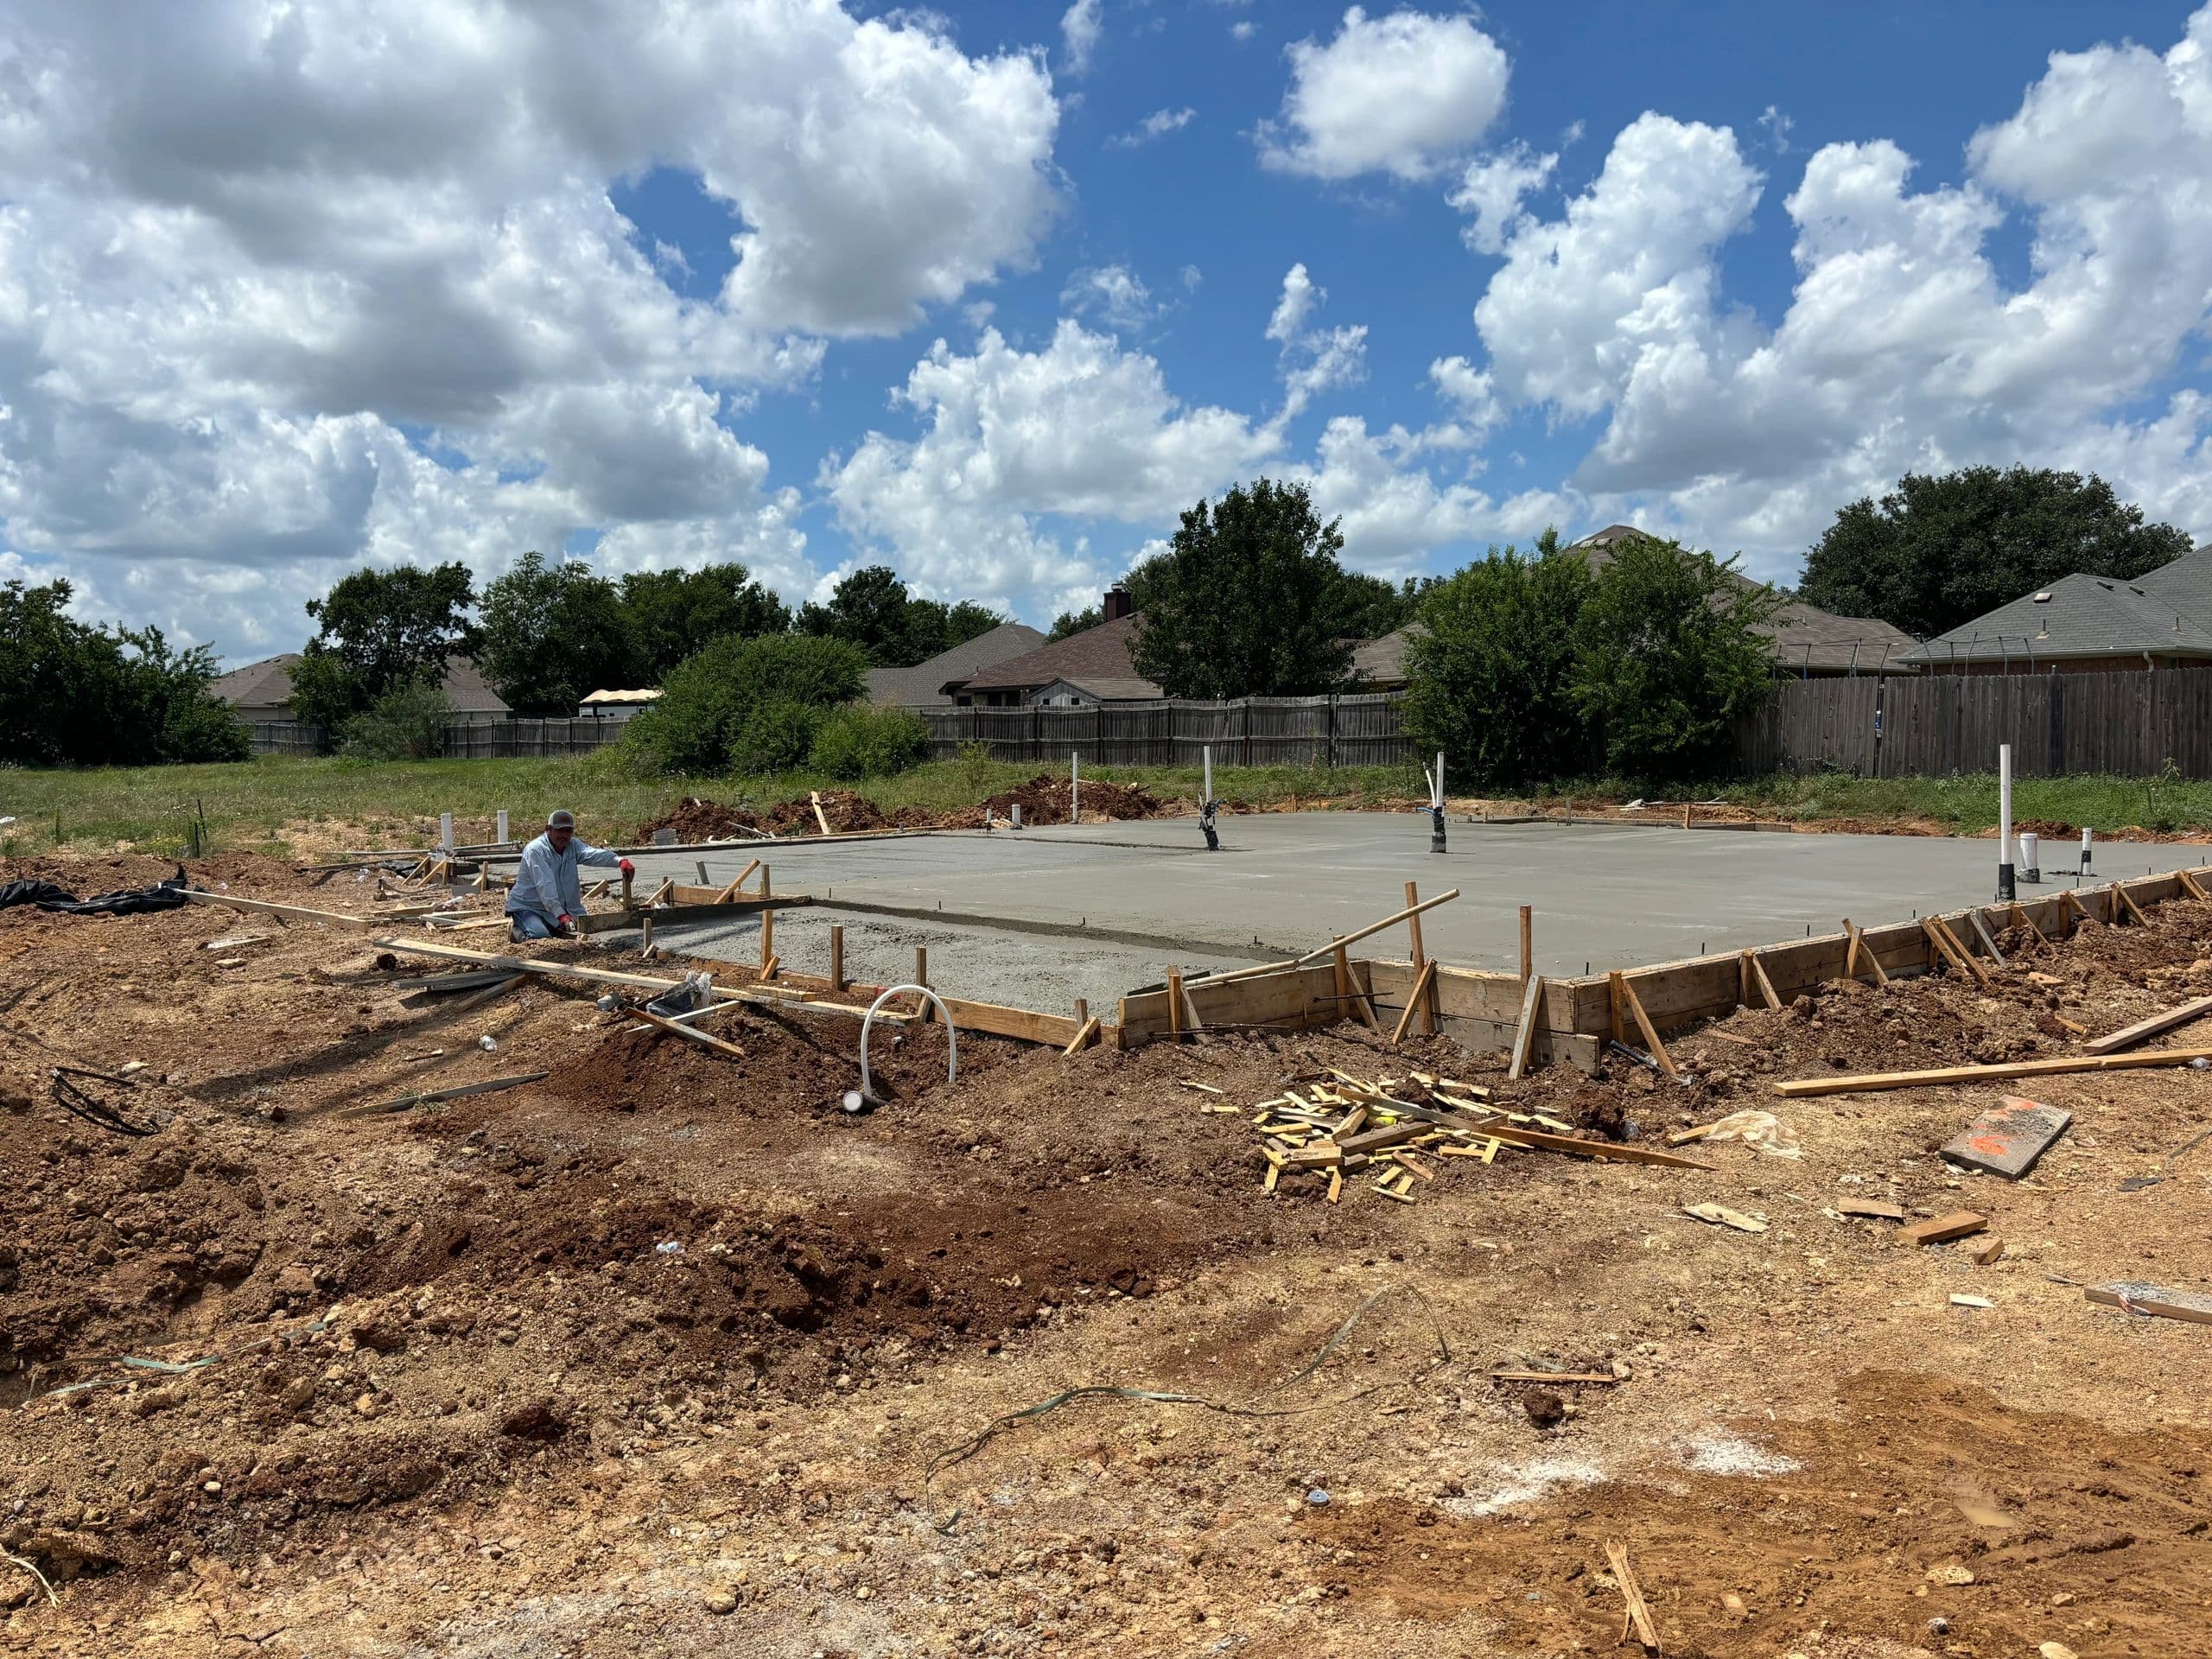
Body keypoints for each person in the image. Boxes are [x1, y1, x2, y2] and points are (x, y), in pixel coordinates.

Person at [505, 810, 632, 942]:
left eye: (568, 831)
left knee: (587, 933)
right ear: (548, 829)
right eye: (560, 830)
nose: (564, 835)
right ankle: (516, 932)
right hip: (530, 907)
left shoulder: (573, 845)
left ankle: (550, 926)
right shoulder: (536, 850)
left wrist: (619, 861)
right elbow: (545, 885)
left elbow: (592, 854)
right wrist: (561, 915)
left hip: (560, 908)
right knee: (539, 937)